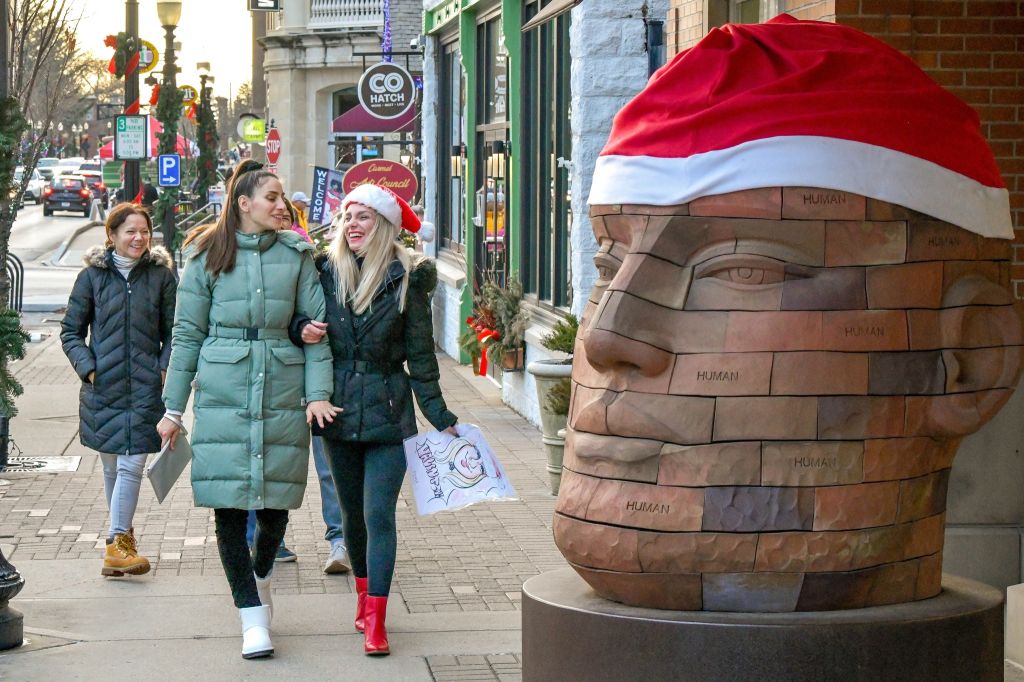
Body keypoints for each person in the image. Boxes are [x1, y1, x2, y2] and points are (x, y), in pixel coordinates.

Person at [157, 159, 338, 659]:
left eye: (283, 198)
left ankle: (261, 578)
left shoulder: (298, 255)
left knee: (277, 502)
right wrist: (173, 409)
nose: (283, 206)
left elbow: (317, 334)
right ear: (244, 203)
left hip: (281, 385)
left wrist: (318, 394)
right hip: (223, 389)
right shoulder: (205, 257)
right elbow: (186, 334)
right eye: (273, 198)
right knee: (229, 507)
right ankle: (250, 617)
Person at [293, 184, 458, 656]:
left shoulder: (407, 280)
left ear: (384, 226)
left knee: (377, 514)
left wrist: (440, 415)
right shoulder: (325, 273)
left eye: (364, 217)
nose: (354, 225)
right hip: (336, 413)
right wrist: (299, 328)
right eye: (348, 216)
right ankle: (364, 601)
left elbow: (421, 358)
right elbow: (294, 321)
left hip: (389, 412)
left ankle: (378, 620)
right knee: (351, 520)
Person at [60, 203, 177, 577]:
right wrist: (89, 369)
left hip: (145, 387)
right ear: (111, 236)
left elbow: (175, 332)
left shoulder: (161, 276)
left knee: (131, 465)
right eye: (130, 231)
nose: (139, 238)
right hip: (104, 387)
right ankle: (119, 545)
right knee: (112, 465)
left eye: (144, 231)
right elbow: (71, 332)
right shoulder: (91, 277)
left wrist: (163, 369)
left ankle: (116, 544)